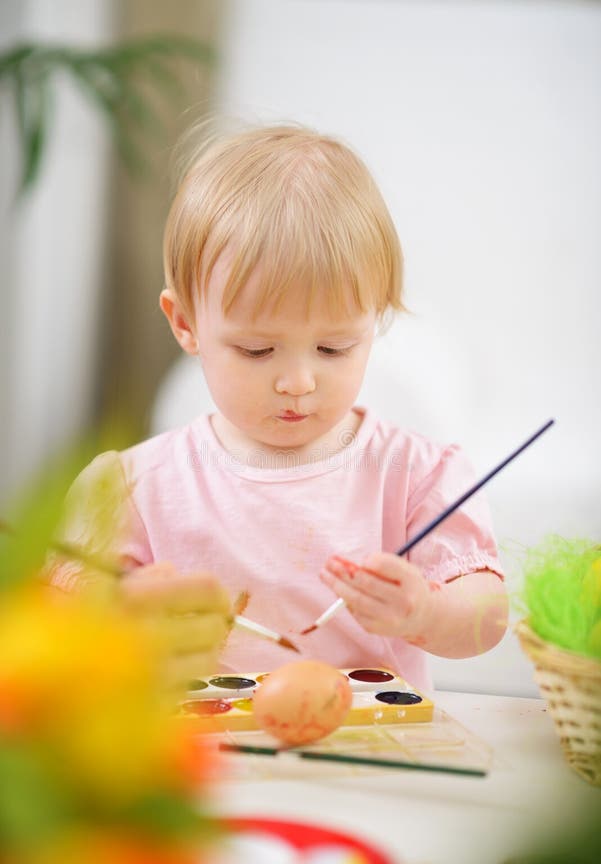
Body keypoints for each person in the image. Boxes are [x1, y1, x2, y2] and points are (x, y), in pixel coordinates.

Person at [51, 124, 507, 691]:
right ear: (186, 323)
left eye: (334, 348)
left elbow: (487, 619)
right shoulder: (138, 486)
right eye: (257, 349)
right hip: (198, 762)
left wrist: (428, 614)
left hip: (365, 752)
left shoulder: (415, 475)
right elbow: (57, 627)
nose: (297, 381)